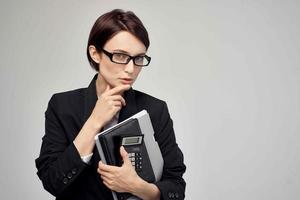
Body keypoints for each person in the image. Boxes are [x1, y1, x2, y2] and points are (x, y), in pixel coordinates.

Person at [35, 9, 186, 200]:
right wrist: (94, 121)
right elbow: (52, 181)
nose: (131, 69)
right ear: (95, 53)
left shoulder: (156, 110)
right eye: (120, 56)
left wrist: (138, 187)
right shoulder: (62, 106)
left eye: (139, 58)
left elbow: (177, 188)